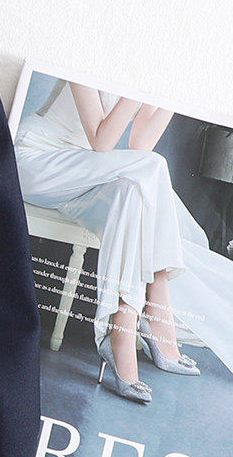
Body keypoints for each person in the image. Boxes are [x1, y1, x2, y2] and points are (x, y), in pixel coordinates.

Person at [12, 77, 232, 402]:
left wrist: (171, 91)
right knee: (153, 168)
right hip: (38, 159)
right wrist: (135, 83)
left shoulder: (160, 67)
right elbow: (102, 141)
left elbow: (140, 144)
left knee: (133, 191)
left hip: (88, 171)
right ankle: (155, 313)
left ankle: (123, 331)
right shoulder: (97, 55)